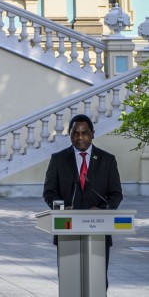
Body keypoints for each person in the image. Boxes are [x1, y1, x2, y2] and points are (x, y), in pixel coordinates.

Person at [42, 114, 123, 276]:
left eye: (84, 132)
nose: (80, 137)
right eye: (75, 133)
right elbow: (49, 192)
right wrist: (64, 208)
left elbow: (116, 194)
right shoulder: (58, 160)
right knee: (70, 278)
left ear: (92, 133)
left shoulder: (107, 160)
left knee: (97, 279)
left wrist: (102, 210)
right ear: (70, 135)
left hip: (98, 229)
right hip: (67, 228)